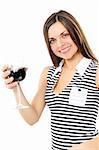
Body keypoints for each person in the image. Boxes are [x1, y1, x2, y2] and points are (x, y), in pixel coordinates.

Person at [1, 10, 99, 150]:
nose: (59, 44)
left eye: (64, 35)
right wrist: (15, 88)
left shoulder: (95, 71)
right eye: (52, 40)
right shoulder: (49, 73)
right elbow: (32, 118)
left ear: (76, 33)